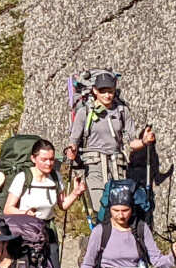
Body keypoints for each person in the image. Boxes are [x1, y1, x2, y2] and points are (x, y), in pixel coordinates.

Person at [1, 138, 84, 268]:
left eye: (51, 159)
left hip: (48, 231)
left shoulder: (55, 177)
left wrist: (75, 193)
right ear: (33, 159)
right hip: (26, 233)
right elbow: (8, 208)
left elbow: (62, 205)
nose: (48, 164)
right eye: (44, 159)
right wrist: (25, 213)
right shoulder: (23, 177)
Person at [64, 72, 154, 222]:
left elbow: (131, 142)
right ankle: (102, 237)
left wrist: (144, 141)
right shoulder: (84, 112)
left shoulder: (122, 111)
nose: (107, 95)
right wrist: (71, 151)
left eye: (110, 91)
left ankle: (116, 239)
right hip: (94, 166)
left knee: (120, 204)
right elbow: (73, 140)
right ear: (94, 90)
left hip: (117, 165)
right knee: (101, 206)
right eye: (103, 91)